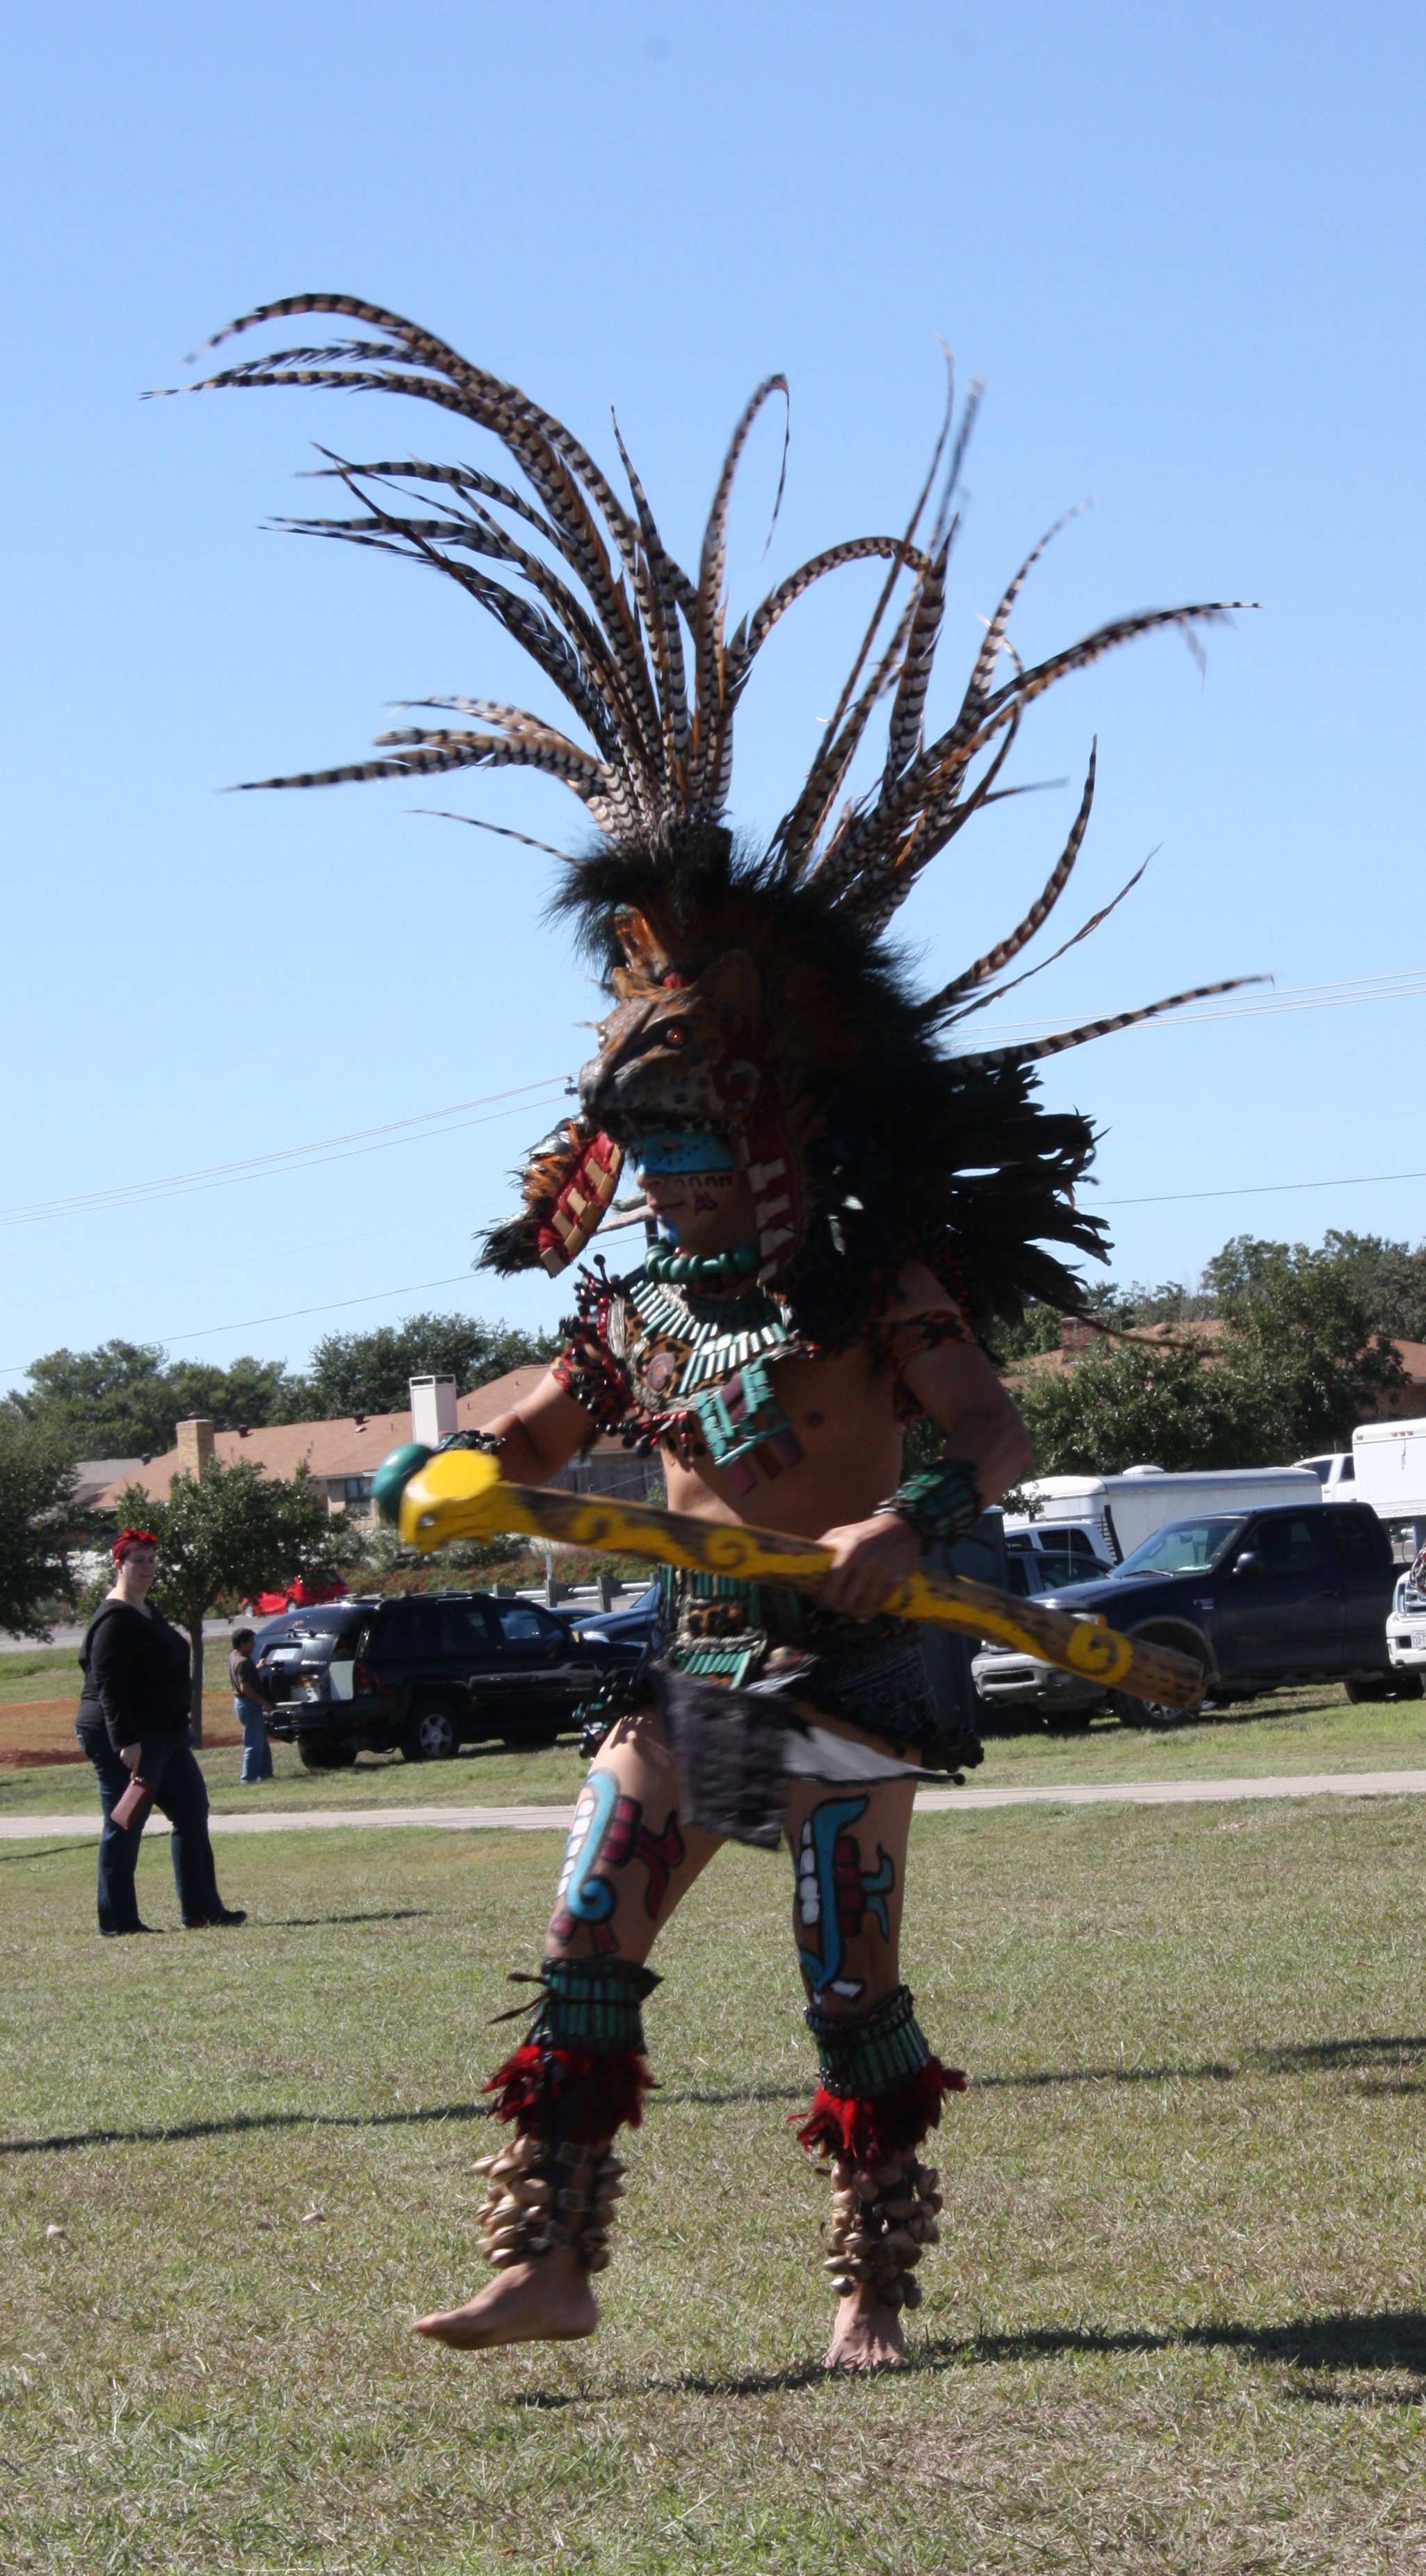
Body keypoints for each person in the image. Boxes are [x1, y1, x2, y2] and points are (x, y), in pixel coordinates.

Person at [195, 295, 1245, 2367]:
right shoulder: (638, 1302)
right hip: (682, 1651)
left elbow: (994, 1428)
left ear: (762, 1119)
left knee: (838, 1973)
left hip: (853, 1652)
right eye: (637, 1144)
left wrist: (913, 1517)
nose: (663, 1174)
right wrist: (461, 1456)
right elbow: (544, 1408)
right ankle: (551, 2256)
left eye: (691, 1139)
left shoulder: (866, 1270)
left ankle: (865, 2281)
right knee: (582, 1931)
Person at [76, 1528, 247, 1934]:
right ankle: (118, 1921)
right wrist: (125, 1743)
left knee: (191, 1810)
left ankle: (201, 1910)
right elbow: (107, 1686)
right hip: (126, 1738)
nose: (147, 1567)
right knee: (125, 1823)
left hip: (165, 1736)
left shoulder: (146, 1609)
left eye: (152, 1559)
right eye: (138, 1560)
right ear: (119, 1565)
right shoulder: (115, 1618)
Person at [228, 1626, 274, 1783]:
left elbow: (246, 1676)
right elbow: (245, 1688)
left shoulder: (234, 1656)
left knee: (260, 1740)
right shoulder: (243, 1662)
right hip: (249, 1704)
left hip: (243, 1704)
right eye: (251, 1642)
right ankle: (247, 1779)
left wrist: (259, 1667)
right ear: (242, 1643)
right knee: (254, 1743)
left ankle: (265, 1774)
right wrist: (264, 1703)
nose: (254, 1645)